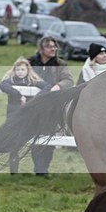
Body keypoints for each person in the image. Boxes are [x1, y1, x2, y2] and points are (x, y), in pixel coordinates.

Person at [28, 35, 74, 176]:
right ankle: (39, 169)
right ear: (41, 49)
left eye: (54, 46)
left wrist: (57, 86)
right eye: (49, 46)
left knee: (49, 138)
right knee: (36, 136)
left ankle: (44, 168)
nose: (53, 49)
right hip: (34, 105)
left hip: (52, 107)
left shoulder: (60, 64)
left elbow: (68, 80)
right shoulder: (29, 62)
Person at [0, 57, 51, 173]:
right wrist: (19, 95)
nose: (20, 72)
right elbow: (3, 85)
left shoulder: (32, 81)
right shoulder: (11, 80)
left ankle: (40, 170)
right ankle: (14, 171)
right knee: (14, 143)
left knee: (35, 141)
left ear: (27, 70)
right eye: (18, 69)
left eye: (22, 69)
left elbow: (47, 86)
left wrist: (36, 99)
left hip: (30, 117)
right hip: (14, 116)